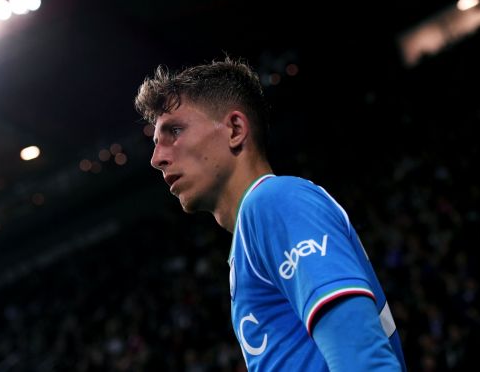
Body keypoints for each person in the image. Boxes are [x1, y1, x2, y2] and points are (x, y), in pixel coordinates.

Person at [134, 57, 407, 371]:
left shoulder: (274, 202)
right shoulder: (247, 243)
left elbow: (363, 362)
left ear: (235, 129)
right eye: (155, 143)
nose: (157, 158)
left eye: (175, 131)